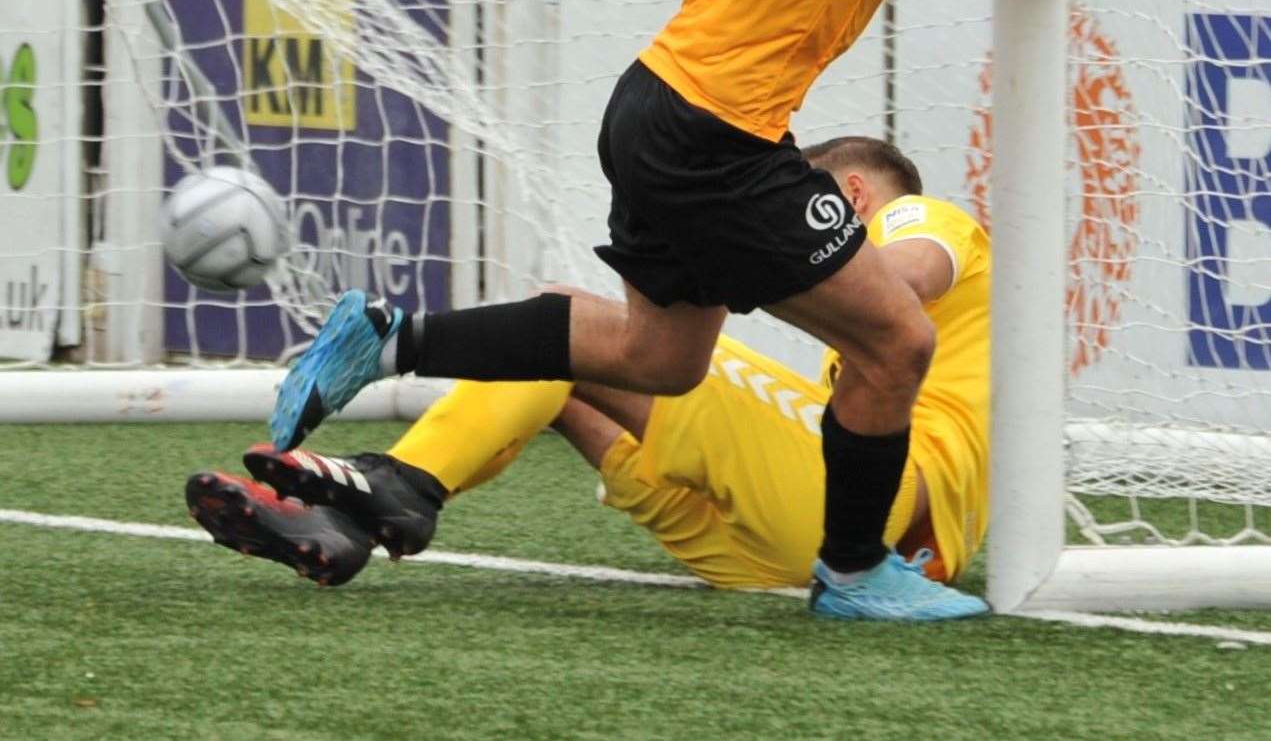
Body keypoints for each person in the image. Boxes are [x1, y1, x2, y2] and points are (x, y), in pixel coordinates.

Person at [266, 0, 1111, 621]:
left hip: (653, 101)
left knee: (660, 358)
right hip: (720, 133)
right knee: (895, 342)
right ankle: (850, 571)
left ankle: (391, 337)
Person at [188, 137, 990, 601]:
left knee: (573, 322)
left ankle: (397, 480)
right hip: (794, 559)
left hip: (883, 509)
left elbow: (907, 277)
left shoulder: (919, 217)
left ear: (848, 192)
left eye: (804, 207)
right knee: (569, 380)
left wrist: (748, 256)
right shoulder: (850, 358)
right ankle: (352, 517)